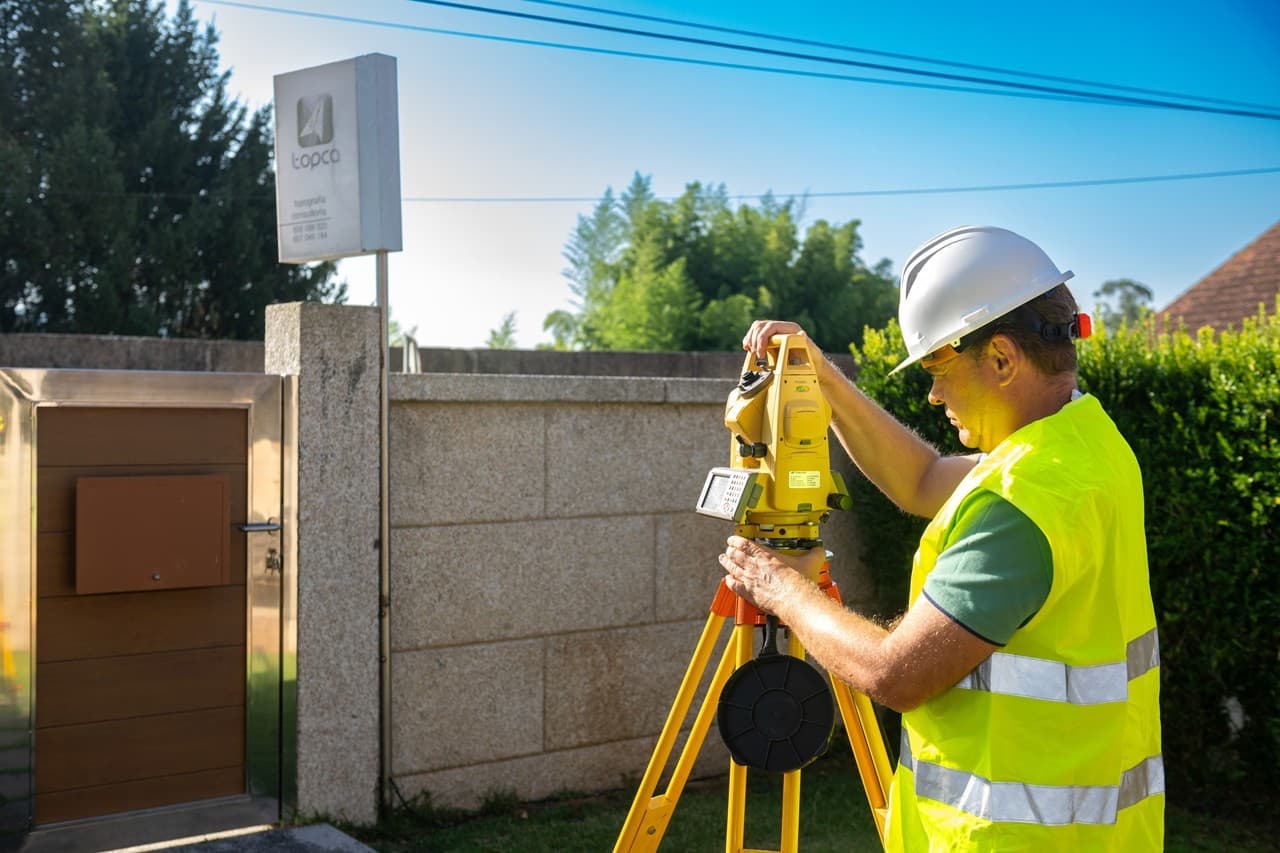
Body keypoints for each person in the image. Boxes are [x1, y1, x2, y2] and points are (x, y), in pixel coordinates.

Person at [719, 225, 1163, 851]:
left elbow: (895, 673)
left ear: (1003, 359)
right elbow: (922, 480)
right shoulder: (1083, 449)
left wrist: (783, 591)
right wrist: (819, 377)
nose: (931, 393)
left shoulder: (1019, 504)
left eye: (937, 366)